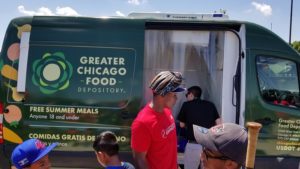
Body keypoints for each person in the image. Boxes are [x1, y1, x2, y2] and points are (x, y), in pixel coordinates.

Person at [131, 71, 185, 169]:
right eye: (174, 95)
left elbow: (168, 146)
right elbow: (140, 159)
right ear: (163, 95)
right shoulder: (142, 123)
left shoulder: (167, 111)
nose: (176, 98)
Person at [177, 86, 221, 169]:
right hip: (209, 147)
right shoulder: (211, 105)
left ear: (191, 94)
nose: (186, 97)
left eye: (187, 95)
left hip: (194, 144)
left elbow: (181, 125)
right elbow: (219, 124)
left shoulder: (186, 105)